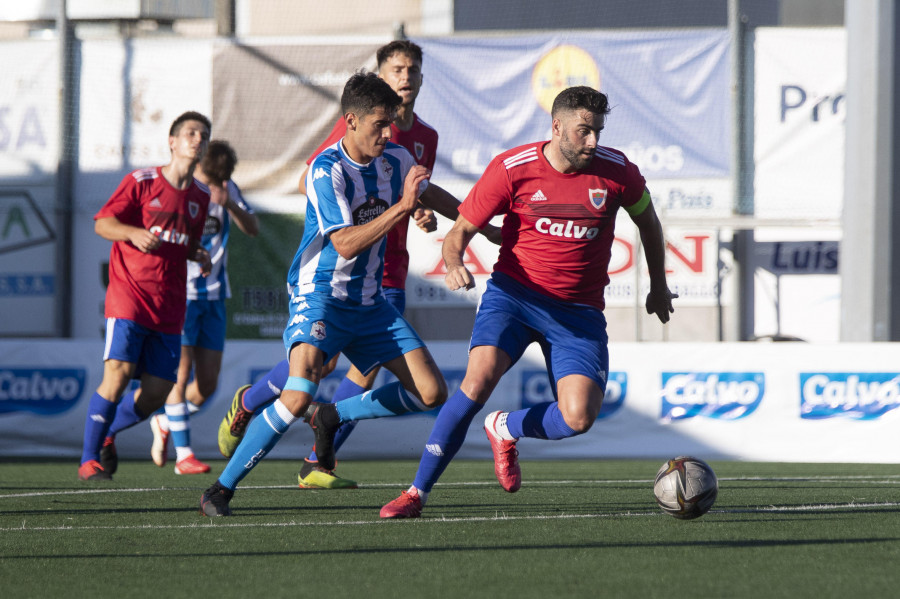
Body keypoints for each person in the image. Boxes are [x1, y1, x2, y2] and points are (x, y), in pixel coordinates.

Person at [379, 86, 678, 518]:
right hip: (514, 297)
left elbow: (649, 223)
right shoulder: (511, 168)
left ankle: (506, 427)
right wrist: (453, 262)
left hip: (578, 312)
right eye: (583, 132)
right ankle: (416, 493)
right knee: (477, 381)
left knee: (578, 417)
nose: (593, 142)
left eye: (597, 131)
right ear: (556, 127)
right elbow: (459, 231)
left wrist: (656, 285)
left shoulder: (618, 172)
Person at [199, 72, 484, 516]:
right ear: (350, 121)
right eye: (379, 124)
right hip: (321, 298)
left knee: (430, 393)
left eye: (392, 123)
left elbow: (434, 194)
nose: (388, 133)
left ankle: (334, 416)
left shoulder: (396, 156)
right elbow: (345, 243)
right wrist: (403, 208)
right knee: (295, 396)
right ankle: (220, 489)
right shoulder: (326, 168)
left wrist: (485, 226)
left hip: (369, 303)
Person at [78, 111, 213, 481]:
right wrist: (131, 232)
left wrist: (197, 253)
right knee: (117, 377)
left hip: (170, 305)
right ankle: (89, 459)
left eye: (203, 134)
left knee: (157, 393)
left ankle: (106, 431)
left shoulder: (201, 196)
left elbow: (185, 242)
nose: (197, 139)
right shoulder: (142, 181)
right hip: (129, 296)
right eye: (189, 132)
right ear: (172, 141)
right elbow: (104, 223)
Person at [148, 139, 259, 475]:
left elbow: (253, 228)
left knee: (208, 383)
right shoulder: (182, 189)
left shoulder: (227, 189)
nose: (213, 187)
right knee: (179, 376)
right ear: (198, 168)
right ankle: (184, 456)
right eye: (210, 180)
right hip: (182, 295)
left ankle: (166, 422)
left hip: (214, 297)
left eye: (219, 182)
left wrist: (231, 205)